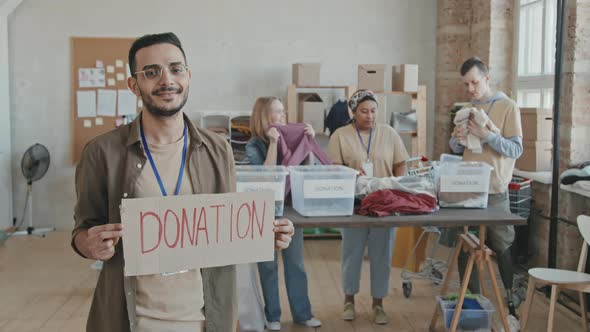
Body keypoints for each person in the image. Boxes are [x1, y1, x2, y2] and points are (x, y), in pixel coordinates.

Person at [71, 32, 295, 332]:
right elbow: (82, 230)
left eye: (176, 69)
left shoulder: (218, 149)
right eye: (152, 72)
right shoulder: (102, 152)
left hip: (206, 320)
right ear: (134, 85)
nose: (167, 80)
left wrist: (262, 236)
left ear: (188, 76)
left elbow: (224, 234)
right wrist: (88, 243)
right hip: (134, 320)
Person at [327, 89, 409, 325]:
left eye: (373, 111)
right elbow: (334, 169)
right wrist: (351, 173)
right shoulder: (340, 135)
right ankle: (349, 300)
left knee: (381, 255)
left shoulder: (389, 133)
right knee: (351, 254)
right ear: (353, 111)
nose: (370, 115)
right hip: (354, 205)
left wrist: (399, 187)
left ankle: (378, 303)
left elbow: (400, 163)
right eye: (364, 111)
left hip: (384, 205)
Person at [449, 57, 523, 315]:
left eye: (474, 82)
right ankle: (472, 304)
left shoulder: (508, 107)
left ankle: (510, 299)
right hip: (468, 188)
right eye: (466, 84)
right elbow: (455, 147)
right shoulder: (467, 109)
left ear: (487, 78)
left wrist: (487, 136)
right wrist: (458, 140)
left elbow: (516, 149)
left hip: (495, 190)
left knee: (502, 246)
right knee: (465, 246)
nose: (470, 89)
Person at [244, 97, 321, 330]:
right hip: (264, 213)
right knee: (267, 267)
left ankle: (302, 313)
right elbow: (266, 177)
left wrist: (309, 143)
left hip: (290, 212)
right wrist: (274, 144)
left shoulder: (294, 139)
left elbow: (307, 173)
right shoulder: (253, 145)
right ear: (264, 117)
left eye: (283, 112)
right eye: (277, 112)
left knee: (296, 264)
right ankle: (273, 316)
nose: (283, 116)